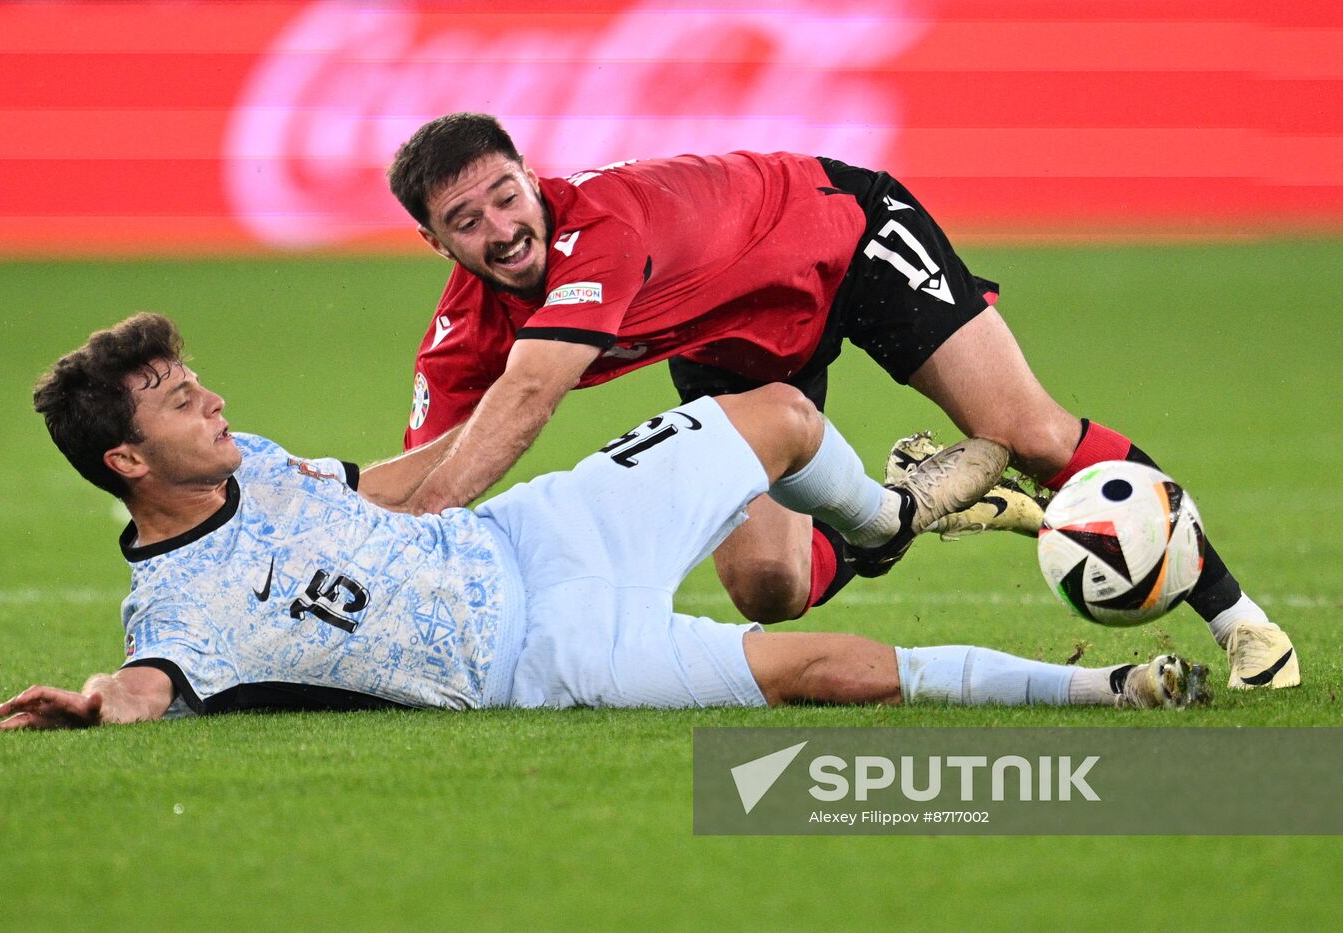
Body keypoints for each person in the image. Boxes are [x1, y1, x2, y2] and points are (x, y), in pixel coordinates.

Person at [382, 112, 1296, 690]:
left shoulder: (602, 227)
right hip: (730, 346)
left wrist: (426, 517)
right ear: (434, 241)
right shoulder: (464, 328)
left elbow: (530, 396)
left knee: (1029, 433)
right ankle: (900, 507)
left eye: (508, 197)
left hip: (840, 239)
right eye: (467, 222)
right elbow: (429, 467)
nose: (502, 230)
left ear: (531, 178)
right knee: (768, 589)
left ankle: (1243, 623)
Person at [0, 314, 1207, 731]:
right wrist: (95, 700)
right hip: (535, 659)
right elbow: (148, 685)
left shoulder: (252, 461)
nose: (208, 396)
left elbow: (393, 490)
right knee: (822, 672)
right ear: (125, 458)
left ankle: (895, 510)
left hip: (533, 533)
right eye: (173, 397)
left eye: (190, 377)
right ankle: (1102, 697)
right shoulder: (172, 608)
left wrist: (502, 436)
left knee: (773, 413)